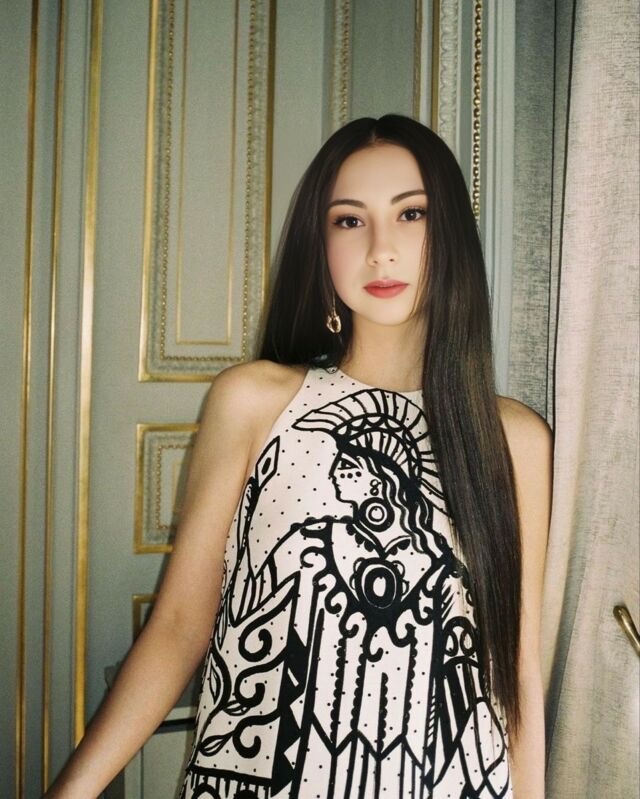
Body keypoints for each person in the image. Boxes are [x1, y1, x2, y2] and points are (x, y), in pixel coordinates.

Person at [46, 115, 552, 798]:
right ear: (320, 244)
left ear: (453, 234)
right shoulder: (255, 402)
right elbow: (178, 626)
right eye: (350, 220)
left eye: (412, 214)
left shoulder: (515, 439)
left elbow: (516, 670)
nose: (381, 250)